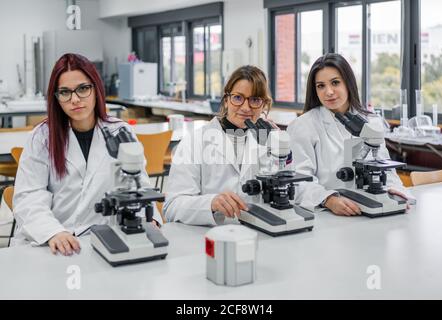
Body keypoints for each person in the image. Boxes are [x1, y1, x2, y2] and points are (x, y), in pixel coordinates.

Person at [12, 53, 161, 255]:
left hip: (103, 238)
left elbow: (139, 186)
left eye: (83, 88)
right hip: (53, 243)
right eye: (65, 92)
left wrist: (148, 219)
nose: (75, 99)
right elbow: (29, 196)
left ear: (96, 89)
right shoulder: (41, 138)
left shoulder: (121, 132)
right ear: (56, 97)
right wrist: (53, 232)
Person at [287, 53, 412, 216]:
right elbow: (300, 180)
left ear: (348, 83)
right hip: (328, 217)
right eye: (321, 86)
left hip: (371, 212)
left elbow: (387, 171)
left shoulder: (371, 121)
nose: (329, 92)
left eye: (335, 82)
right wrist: (328, 199)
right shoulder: (303, 125)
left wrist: (395, 192)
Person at [164, 65, 275, 225]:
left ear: (264, 104)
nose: (245, 107)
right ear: (226, 99)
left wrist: (282, 149)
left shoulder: (268, 141)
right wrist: (211, 204)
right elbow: (171, 207)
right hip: (208, 237)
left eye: (255, 100)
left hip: (259, 232)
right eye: (238, 97)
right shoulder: (195, 141)